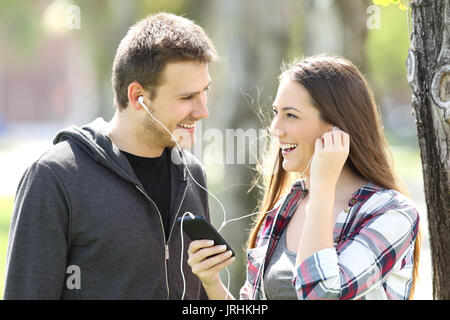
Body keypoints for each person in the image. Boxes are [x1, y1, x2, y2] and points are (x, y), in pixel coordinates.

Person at [4, 12, 217, 299]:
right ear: (137, 96)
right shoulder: (55, 177)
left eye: (204, 92)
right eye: (186, 97)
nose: (202, 111)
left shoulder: (191, 174)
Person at [187, 55, 421, 300]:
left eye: (291, 115)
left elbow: (321, 293)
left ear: (336, 130)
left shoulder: (391, 213)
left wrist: (322, 187)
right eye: (276, 112)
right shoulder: (285, 209)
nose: (275, 129)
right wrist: (212, 283)